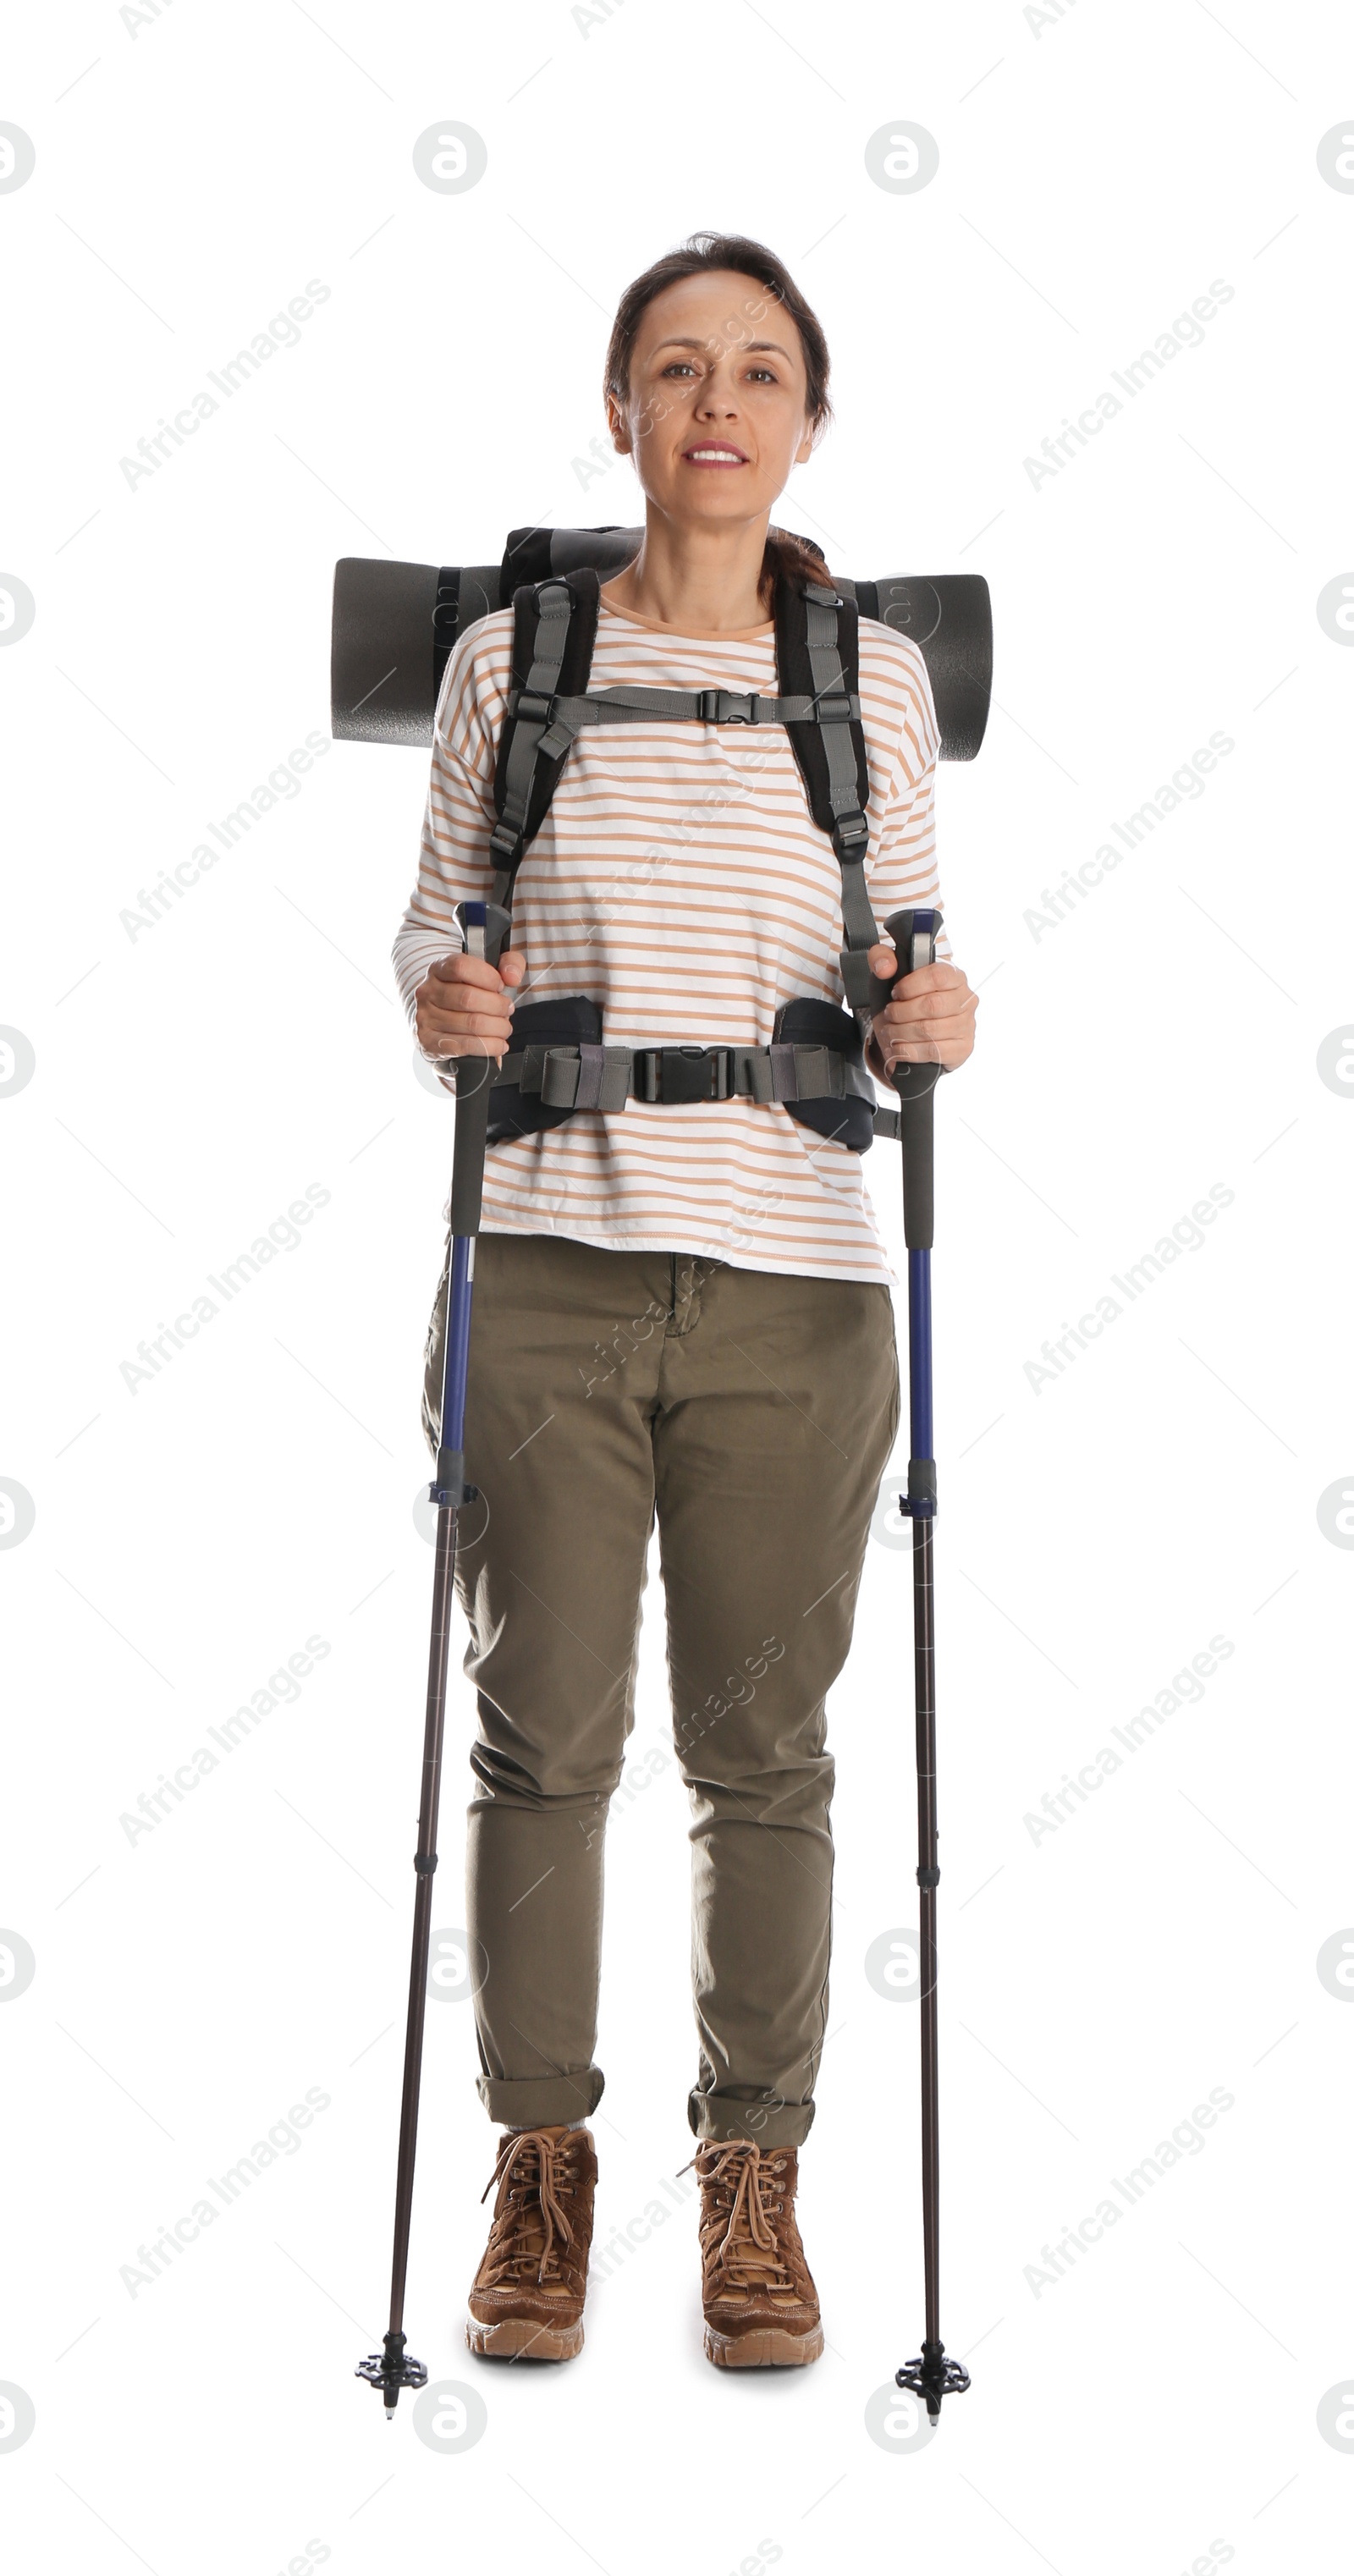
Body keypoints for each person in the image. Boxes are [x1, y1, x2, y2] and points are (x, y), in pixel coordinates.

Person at [393, 230, 977, 2370]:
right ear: (620, 408)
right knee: (538, 1742)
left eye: (753, 370)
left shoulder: (868, 677)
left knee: (764, 1757)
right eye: (671, 367)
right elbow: (431, 934)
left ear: (804, 418)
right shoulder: (508, 665)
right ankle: (537, 2162)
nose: (712, 402)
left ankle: (755, 2179)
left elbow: (913, 949)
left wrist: (940, 1012)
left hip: (800, 1287)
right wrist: (442, 997)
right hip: (543, 1254)